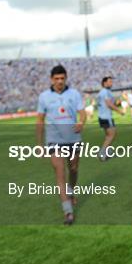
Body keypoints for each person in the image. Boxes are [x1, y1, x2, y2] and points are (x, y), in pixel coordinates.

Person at [35, 65, 85, 225]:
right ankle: (68, 212)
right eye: (56, 78)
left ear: (66, 78)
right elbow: (40, 120)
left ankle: (72, 190)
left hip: (73, 138)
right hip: (54, 140)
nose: (59, 81)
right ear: (51, 79)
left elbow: (82, 113)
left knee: (73, 169)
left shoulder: (74, 94)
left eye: (62, 78)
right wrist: (39, 144)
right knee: (60, 173)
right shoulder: (43, 97)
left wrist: (81, 122)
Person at [97, 76, 123, 161]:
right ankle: (102, 153)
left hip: (102, 116)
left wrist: (116, 103)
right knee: (112, 134)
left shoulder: (104, 92)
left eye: (112, 82)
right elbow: (109, 104)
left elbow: (109, 103)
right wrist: (119, 111)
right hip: (106, 117)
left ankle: (109, 152)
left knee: (108, 135)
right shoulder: (105, 92)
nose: (111, 83)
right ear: (104, 83)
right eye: (110, 82)